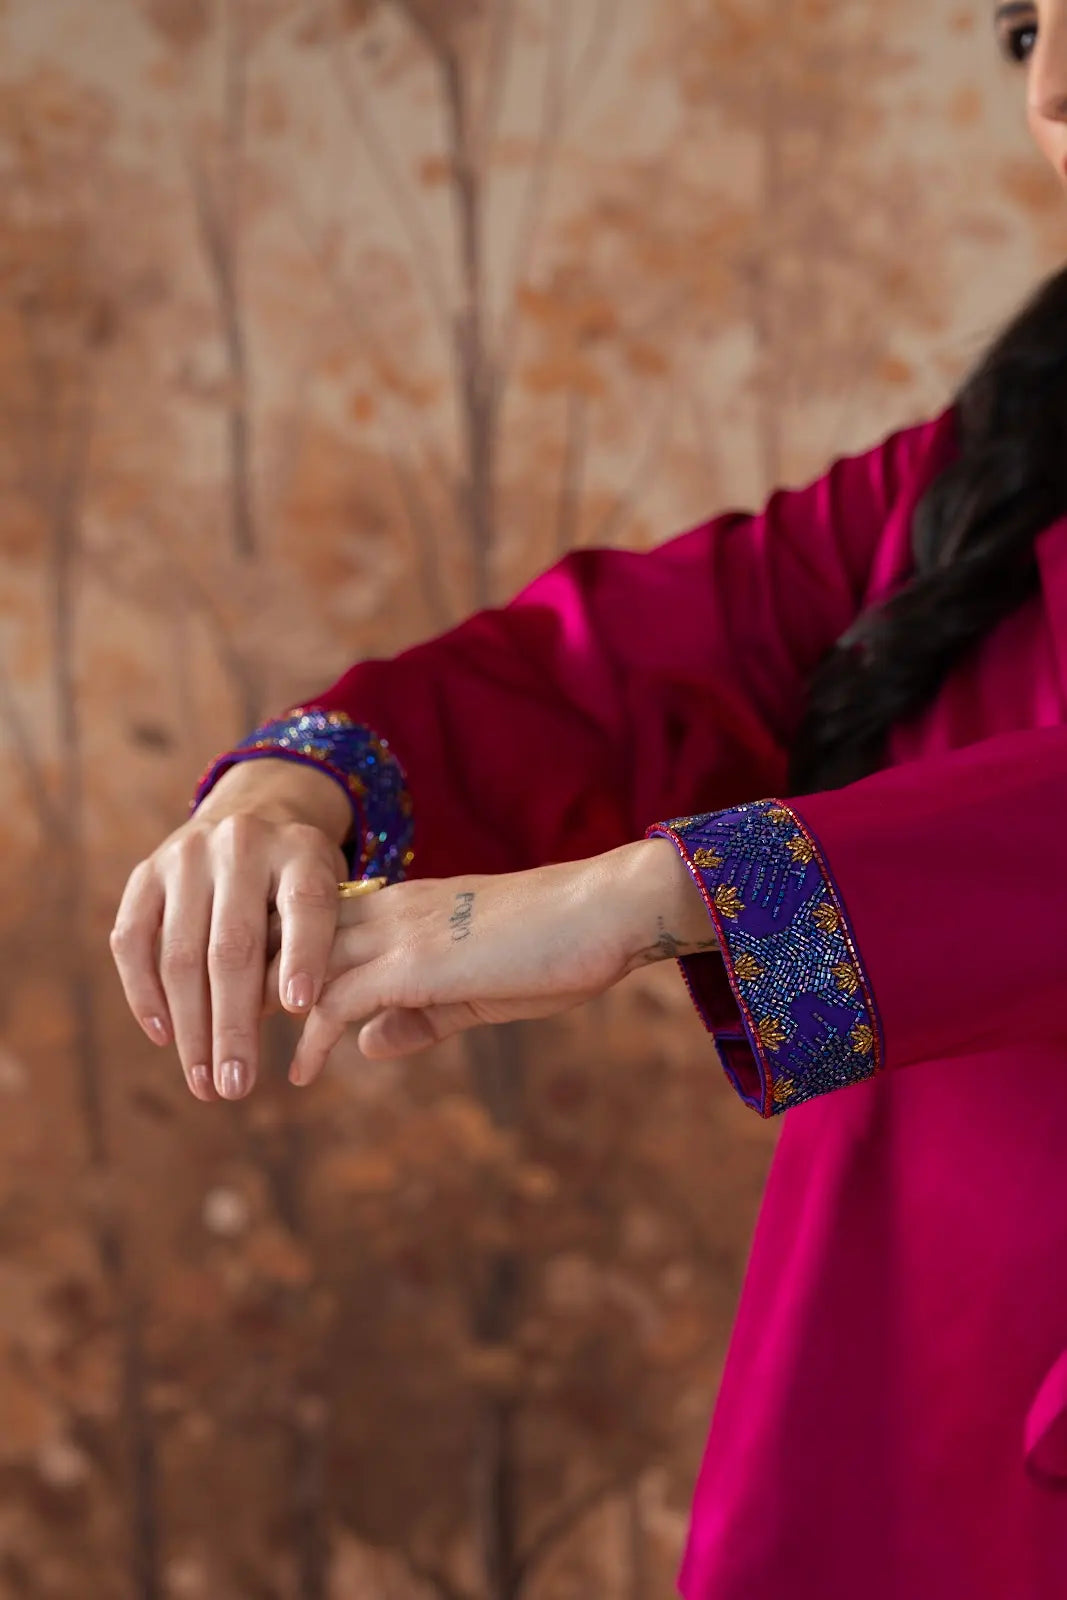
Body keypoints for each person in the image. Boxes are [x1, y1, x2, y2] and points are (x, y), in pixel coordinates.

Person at [111, 3, 1067, 1594]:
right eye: (1028, 23)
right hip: (899, 1412)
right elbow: (630, 658)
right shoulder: (995, 472)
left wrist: (651, 894)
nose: (1056, 87)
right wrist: (295, 790)